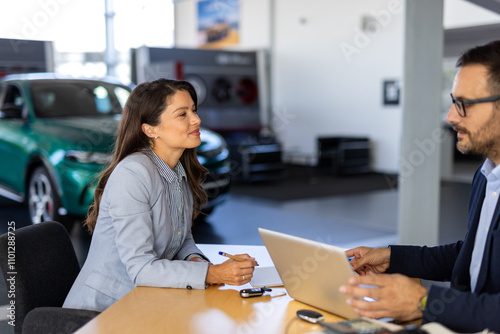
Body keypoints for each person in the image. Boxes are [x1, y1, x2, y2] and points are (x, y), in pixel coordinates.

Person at [339, 40, 500, 333]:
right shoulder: (487, 177)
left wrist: (424, 302)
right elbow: (474, 256)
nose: (450, 116)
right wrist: (392, 257)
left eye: (463, 103)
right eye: (452, 102)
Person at [63, 79, 257, 312]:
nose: (196, 120)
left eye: (193, 110)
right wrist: (213, 273)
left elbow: (182, 240)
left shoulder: (176, 170)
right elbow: (142, 268)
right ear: (150, 129)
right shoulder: (132, 174)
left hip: (145, 302)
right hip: (102, 312)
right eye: (182, 114)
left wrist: (199, 263)